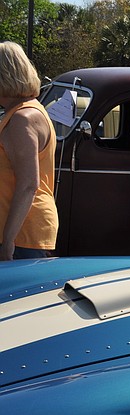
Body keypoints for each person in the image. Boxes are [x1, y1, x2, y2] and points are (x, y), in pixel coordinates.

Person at [0, 41, 57, 261]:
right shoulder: (27, 111)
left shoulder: (22, 119)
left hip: (19, 236)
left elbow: (28, 185)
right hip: (20, 232)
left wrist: (7, 242)